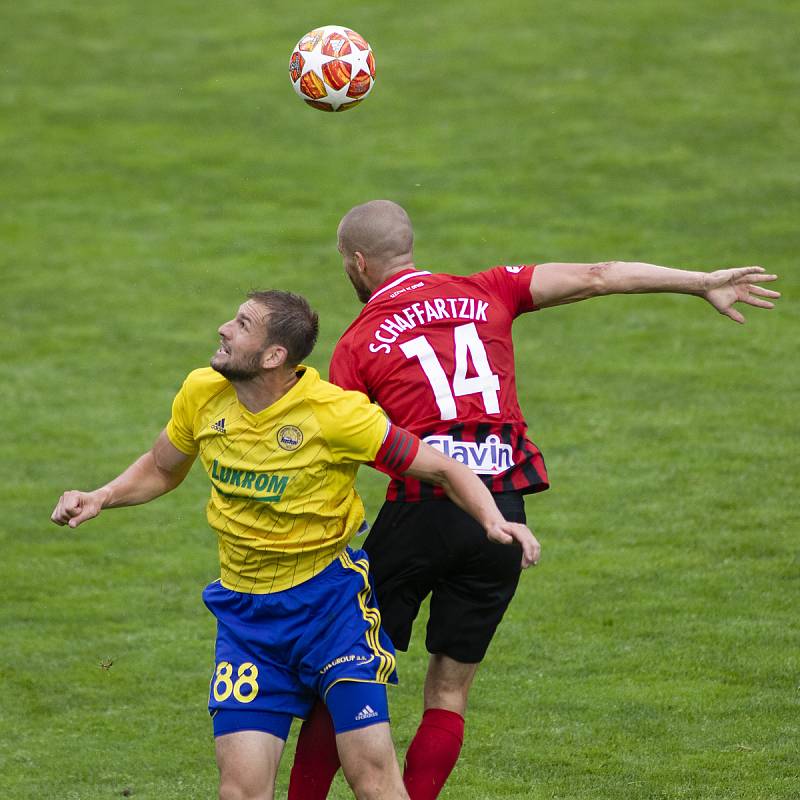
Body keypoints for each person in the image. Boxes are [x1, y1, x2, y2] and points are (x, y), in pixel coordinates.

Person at [288, 200, 781, 799]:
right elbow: (600, 274)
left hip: (417, 516)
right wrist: (701, 282)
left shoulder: (357, 342)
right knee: (448, 693)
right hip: (502, 520)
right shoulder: (489, 289)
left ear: (358, 262)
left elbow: (341, 448)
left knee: (347, 680)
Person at [50, 289, 540, 800]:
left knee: (372, 777)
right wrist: (100, 496)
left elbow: (441, 465)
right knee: (239, 791)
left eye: (240, 325)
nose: (223, 328)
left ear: (273, 356)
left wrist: (494, 520)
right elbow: (160, 466)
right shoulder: (202, 393)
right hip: (247, 619)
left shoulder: (337, 414)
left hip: (330, 609)